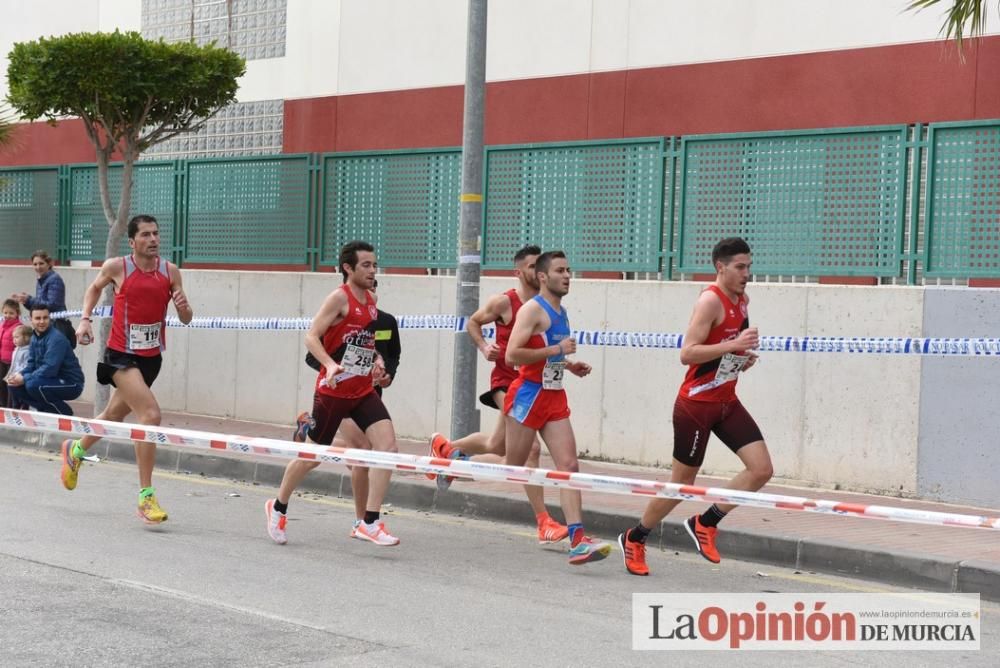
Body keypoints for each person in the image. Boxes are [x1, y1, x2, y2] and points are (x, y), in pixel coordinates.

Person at [618, 237, 772, 576]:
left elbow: (724, 350)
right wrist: (733, 344)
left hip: (726, 401)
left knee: (761, 470)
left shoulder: (742, 300)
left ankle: (706, 522)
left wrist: (741, 357)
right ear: (721, 267)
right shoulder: (710, 301)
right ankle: (635, 537)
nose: (747, 273)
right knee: (681, 485)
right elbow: (687, 353)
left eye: (749, 266)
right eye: (740, 267)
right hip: (696, 405)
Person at [427, 245, 568, 544]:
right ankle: (544, 522)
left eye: (539, 266)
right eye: (531, 267)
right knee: (530, 451)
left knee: (497, 444)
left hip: (538, 385)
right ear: (519, 272)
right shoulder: (505, 302)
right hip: (508, 382)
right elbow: (473, 322)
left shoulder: (549, 306)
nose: (536, 271)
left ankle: (445, 448)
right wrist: (483, 346)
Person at [59, 214, 193, 525]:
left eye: (156, 233)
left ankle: (75, 449)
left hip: (150, 358)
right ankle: (146, 497)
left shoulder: (170, 271)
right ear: (132, 242)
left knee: (114, 415)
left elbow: (185, 318)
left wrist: (184, 307)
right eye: (145, 235)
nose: (153, 239)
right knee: (150, 415)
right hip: (120, 355)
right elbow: (93, 289)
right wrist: (85, 320)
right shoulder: (117, 267)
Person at [266, 241, 401, 547]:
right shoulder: (338, 299)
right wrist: (328, 365)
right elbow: (311, 336)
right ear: (348, 268)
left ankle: (370, 521)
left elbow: (365, 342)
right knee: (312, 456)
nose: (372, 270)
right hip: (334, 391)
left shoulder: (372, 299)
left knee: (387, 448)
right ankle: (278, 507)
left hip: (363, 391)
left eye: (374, 265)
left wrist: (377, 362)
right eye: (365, 265)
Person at [503, 250, 611, 565]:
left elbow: (547, 353)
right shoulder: (531, 310)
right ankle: (455, 455)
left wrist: (568, 364)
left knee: (569, 466)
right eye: (561, 270)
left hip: (553, 395)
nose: (567, 276)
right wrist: (556, 349)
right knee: (510, 467)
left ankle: (577, 538)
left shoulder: (560, 311)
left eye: (569, 270)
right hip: (527, 395)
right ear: (542, 276)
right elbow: (512, 355)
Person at [299, 278, 401, 538]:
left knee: (374, 452)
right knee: (362, 451)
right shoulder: (340, 313)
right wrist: (338, 368)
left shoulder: (386, 322)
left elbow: (393, 356)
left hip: (369, 395)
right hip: (339, 392)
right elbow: (313, 353)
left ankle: (365, 521)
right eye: (366, 290)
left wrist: (386, 373)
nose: (369, 294)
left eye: (373, 289)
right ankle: (363, 520)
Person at [6, 305, 84, 415]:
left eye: (45, 318)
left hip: (71, 383)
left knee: (33, 385)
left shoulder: (56, 339)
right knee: (13, 385)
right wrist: (19, 375)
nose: (42, 321)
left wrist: (24, 378)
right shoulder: (34, 338)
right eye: (38, 318)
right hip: (49, 379)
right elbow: (31, 365)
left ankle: (65, 413)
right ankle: (46, 410)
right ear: (31, 319)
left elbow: (50, 368)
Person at [11, 250, 75, 348]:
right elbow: (39, 307)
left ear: (49, 264)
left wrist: (30, 300)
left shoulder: (54, 279)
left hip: (56, 325)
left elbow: (52, 304)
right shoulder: (41, 280)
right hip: (45, 325)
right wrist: (25, 301)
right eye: (35, 264)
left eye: (41, 263)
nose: (38, 267)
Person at [0, 299, 23, 406]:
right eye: (5, 312)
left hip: (12, 363)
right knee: (1, 385)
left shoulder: (18, 327)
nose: (7, 315)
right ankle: (2, 406)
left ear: (17, 313)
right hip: (2, 361)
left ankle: (10, 407)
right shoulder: (2, 326)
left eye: (11, 313)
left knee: (10, 386)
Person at [6, 324, 34, 409]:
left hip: (20, 378)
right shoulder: (16, 349)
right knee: (14, 398)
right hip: (13, 376)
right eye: (13, 337)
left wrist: (18, 374)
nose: (14, 340)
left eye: (17, 337)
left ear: (26, 337)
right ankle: (15, 410)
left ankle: (23, 410)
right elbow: (14, 364)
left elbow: (26, 366)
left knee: (22, 398)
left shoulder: (28, 351)